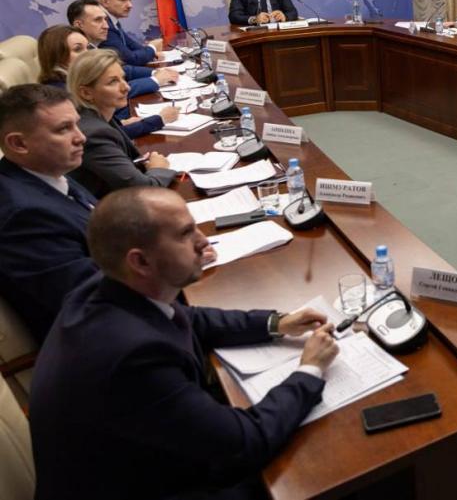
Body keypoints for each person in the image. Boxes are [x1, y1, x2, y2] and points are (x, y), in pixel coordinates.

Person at [30, 187, 338, 499]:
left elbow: (189, 318)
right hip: (154, 487)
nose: (203, 241)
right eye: (185, 234)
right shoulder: (133, 358)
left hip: (146, 461)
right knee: (314, 471)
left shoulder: (108, 286)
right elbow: (244, 442)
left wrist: (276, 323)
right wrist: (309, 370)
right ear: (141, 261)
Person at [0, 84, 98, 342]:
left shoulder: (46, 170)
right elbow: (94, 300)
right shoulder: (23, 216)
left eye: (76, 125)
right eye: (64, 129)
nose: (81, 137)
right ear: (19, 143)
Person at [66, 50, 176, 197]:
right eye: (113, 82)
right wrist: (159, 168)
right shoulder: (94, 134)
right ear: (86, 93)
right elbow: (144, 190)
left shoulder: (98, 116)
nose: (126, 87)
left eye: (123, 78)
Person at [37, 25, 178, 139]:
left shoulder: (69, 80)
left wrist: (121, 123)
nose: (88, 54)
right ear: (56, 56)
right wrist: (159, 120)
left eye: (88, 47)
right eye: (78, 49)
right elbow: (104, 136)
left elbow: (103, 125)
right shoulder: (62, 96)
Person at [67, 0, 178, 98]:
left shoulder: (92, 48)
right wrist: (155, 80)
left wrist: (155, 72)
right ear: (79, 25)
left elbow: (123, 70)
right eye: (98, 20)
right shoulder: (78, 55)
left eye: (105, 19)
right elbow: (108, 93)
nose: (106, 26)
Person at [97, 0, 165, 65]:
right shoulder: (105, 25)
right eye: (123, 0)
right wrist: (152, 48)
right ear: (105, 2)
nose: (130, 5)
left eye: (130, 0)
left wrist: (150, 52)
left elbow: (133, 46)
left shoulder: (113, 21)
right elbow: (131, 59)